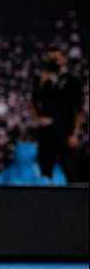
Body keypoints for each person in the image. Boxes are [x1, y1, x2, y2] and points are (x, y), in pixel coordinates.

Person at [31, 45, 84, 181]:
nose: (53, 62)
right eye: (50, 59)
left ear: (64, 59)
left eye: (56, 59)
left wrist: (75, 133)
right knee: (45, 171)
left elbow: (78, 108)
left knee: (70, 169)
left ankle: (74, 201)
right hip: (46, 132)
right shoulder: (41, 79)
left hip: (65, 131)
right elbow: (33, 101)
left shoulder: (72, 80)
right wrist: (37, 118)